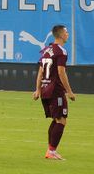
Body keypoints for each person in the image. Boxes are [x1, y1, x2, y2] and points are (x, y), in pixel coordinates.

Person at [35, 24, 75, 160]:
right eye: (66, 32)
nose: (68, 34)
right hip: (55, 90)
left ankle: (50, 150)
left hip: (45, 90)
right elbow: (61, 72)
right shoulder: (61, 51)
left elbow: (40, 72)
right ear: (61, 35)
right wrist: (69, 91)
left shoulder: (46, 50)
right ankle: (51, 151)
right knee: (61, 120)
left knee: (56, 119)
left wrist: (37, 89)